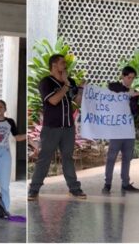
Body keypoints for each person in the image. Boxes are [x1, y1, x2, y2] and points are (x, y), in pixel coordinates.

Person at [28, 54, 86, 201]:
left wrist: (79, 89)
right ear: (54, 65)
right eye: (62, 63)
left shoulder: (70, 81)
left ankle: (75, 189)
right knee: (44, 158)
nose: (65, 66)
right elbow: (53, 100)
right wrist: (66, 85)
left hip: (68, 128)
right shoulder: (46, 82)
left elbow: (78, 102)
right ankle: (34, 189)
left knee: (68, 158)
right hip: (51, 128)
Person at [102, 66, 139, 194]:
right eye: (128, 77)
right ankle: (107, 183)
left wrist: (134, 98)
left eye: (132, 78)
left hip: (128, 130)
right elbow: (114, 88)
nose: (130, 80)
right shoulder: (114, 87)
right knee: (111, 157)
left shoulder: (133, 91)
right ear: (123, 76)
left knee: (127, 158)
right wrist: (129, 93)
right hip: (116, 129)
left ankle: (125, 183)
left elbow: (135, 111)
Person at [0, 100, 26, 218]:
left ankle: (5, 209)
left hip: (5, 153)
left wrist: (27, 136)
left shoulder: (10, 122)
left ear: (5, 109)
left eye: (1, 107)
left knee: (5, 184)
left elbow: (17, 137)